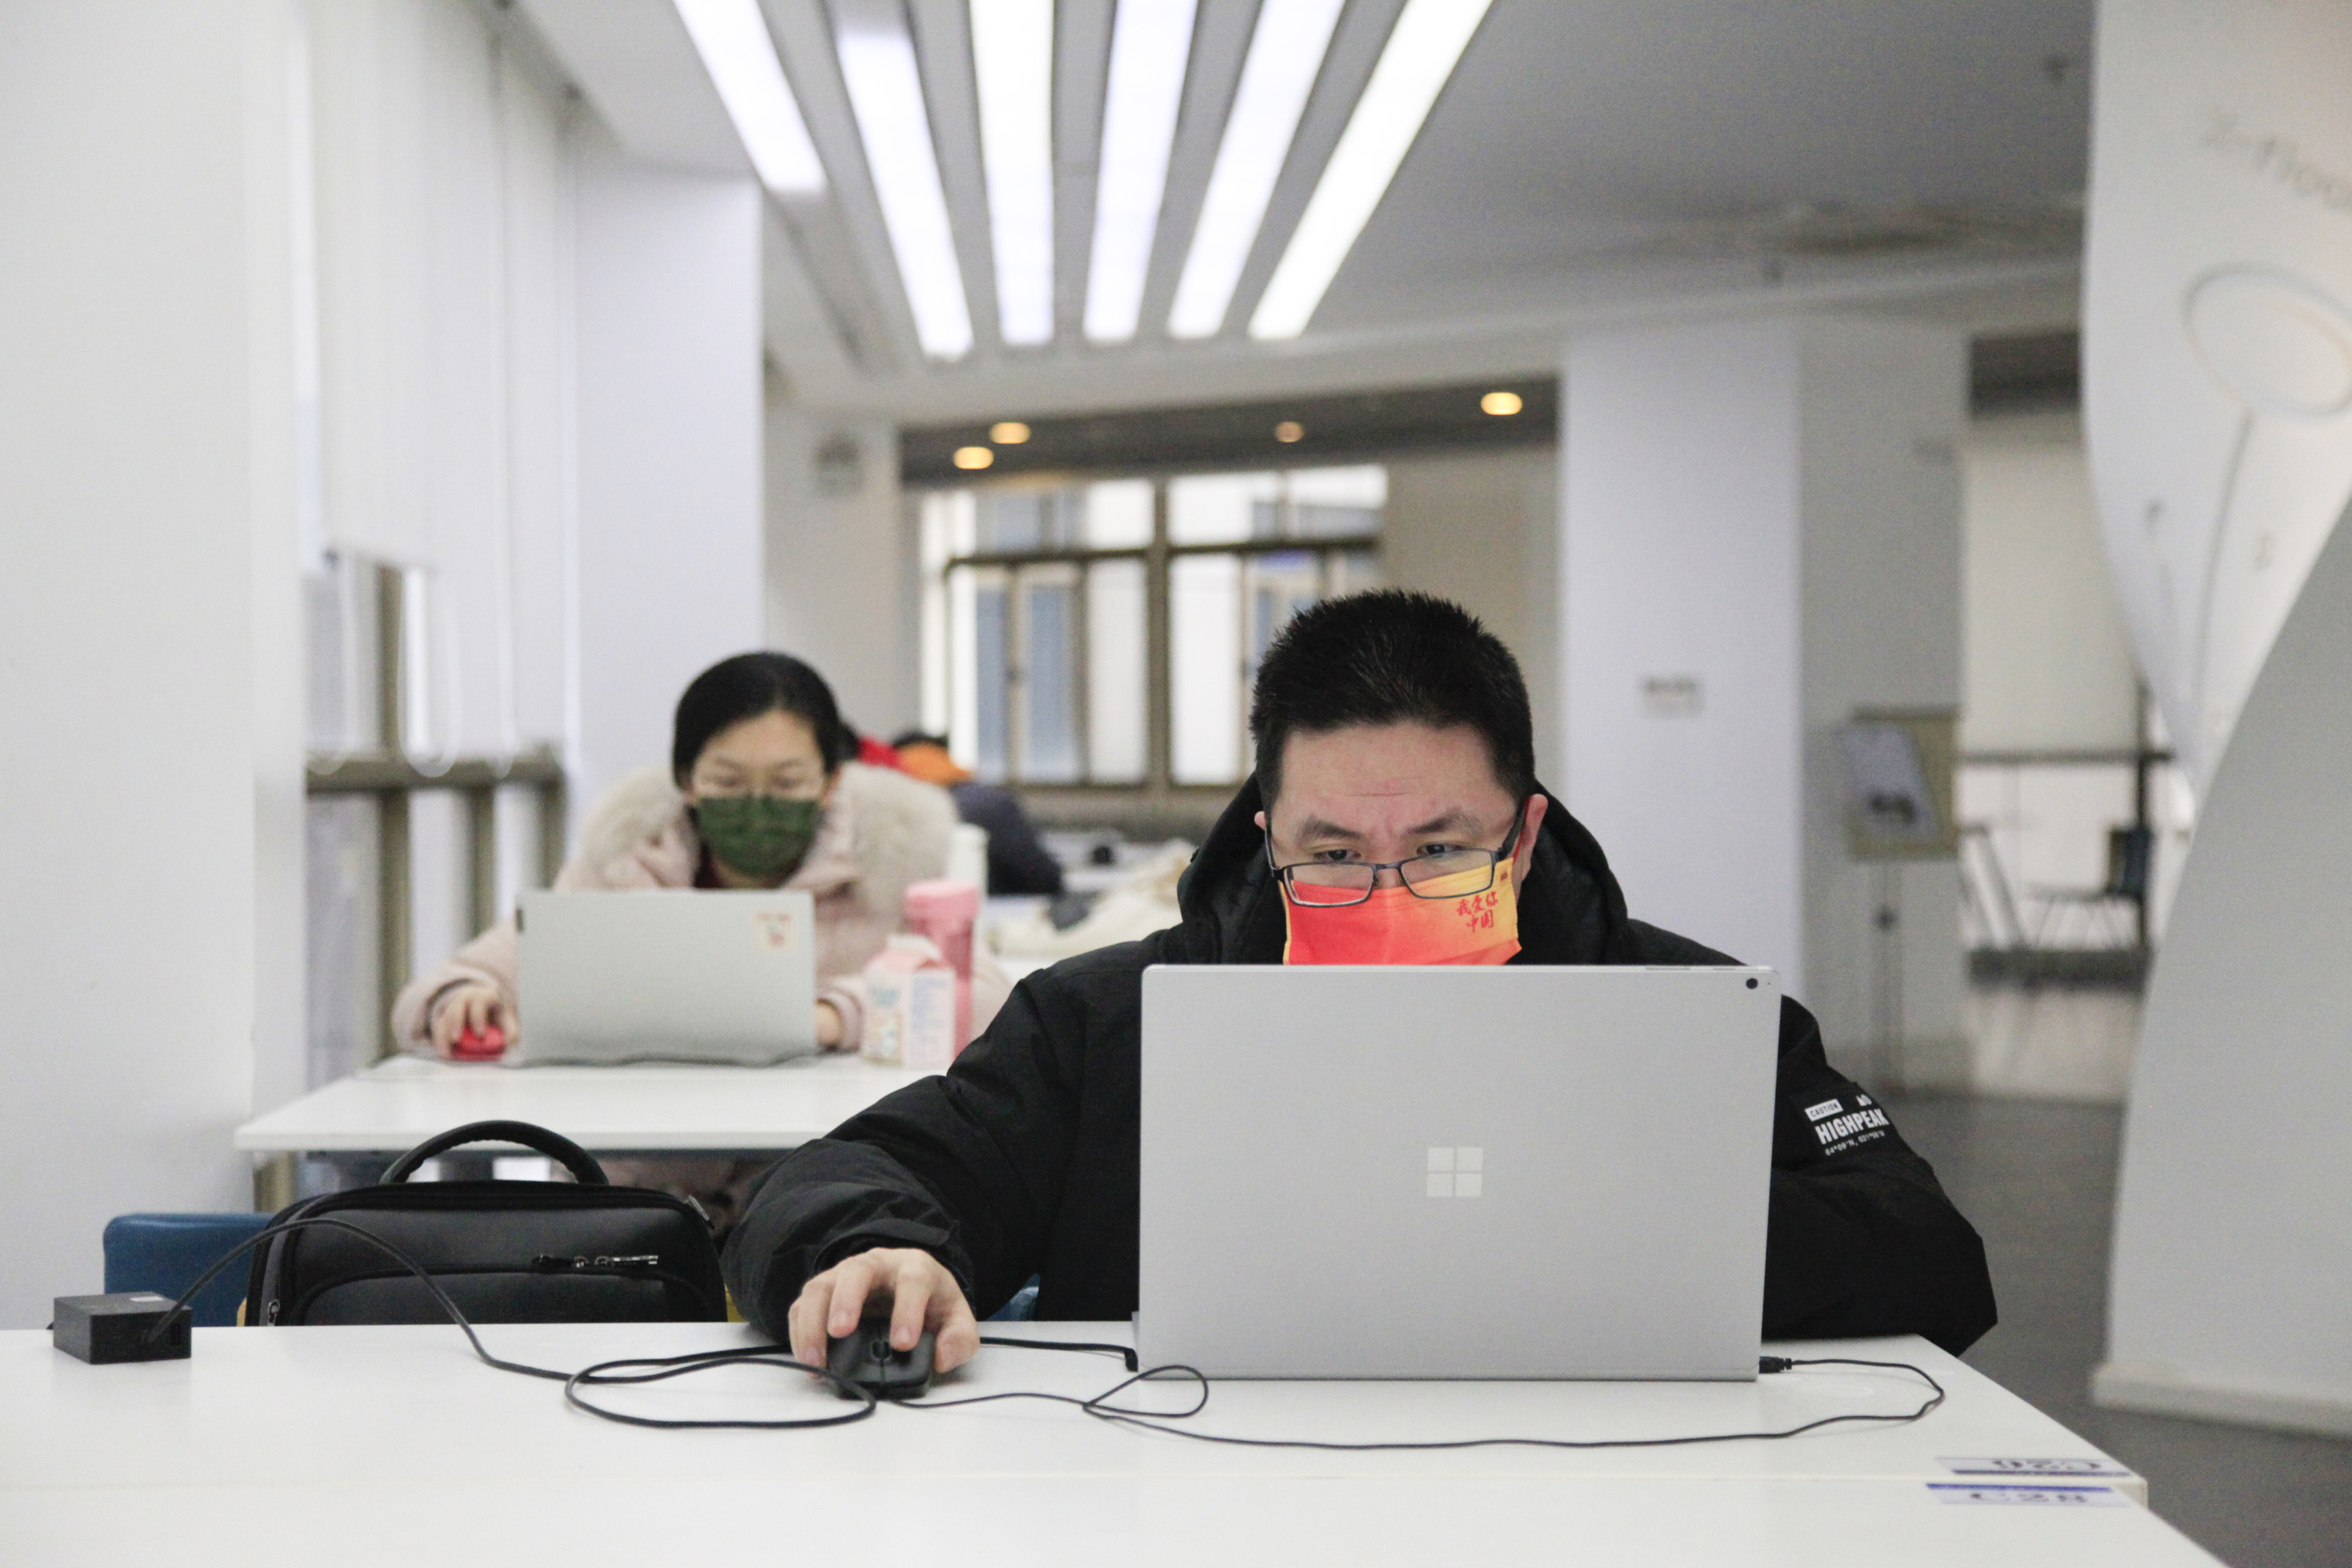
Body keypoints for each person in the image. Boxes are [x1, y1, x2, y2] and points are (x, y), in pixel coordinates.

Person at [722, 594, 1996, 1371]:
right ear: (1268, 835)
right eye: (1332, 854)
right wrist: (874, 1252)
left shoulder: (1688, 1015)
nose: (1387, 892)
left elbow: (1932, 1255)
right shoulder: (1113, 1022)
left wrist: (1645, 1231)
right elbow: (844, 1174)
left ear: (1525, 837)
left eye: (1441, 849)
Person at [390, 652, 1012, 1224]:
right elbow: (448, 984)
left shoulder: (886, 870)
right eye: (729, 782)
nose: (758, 805)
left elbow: (986, 999)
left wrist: (834, 1014)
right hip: (629, 1198)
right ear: (686, 779)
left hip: (812, 1203)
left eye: (788, 782)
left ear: (831, 781)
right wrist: (463, 998)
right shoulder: (624, 864)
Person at [890, 732, 1067, 896]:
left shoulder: (891, 808)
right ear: (943, 756)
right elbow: (1042, 877)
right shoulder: (989, 803)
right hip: (990, 912)